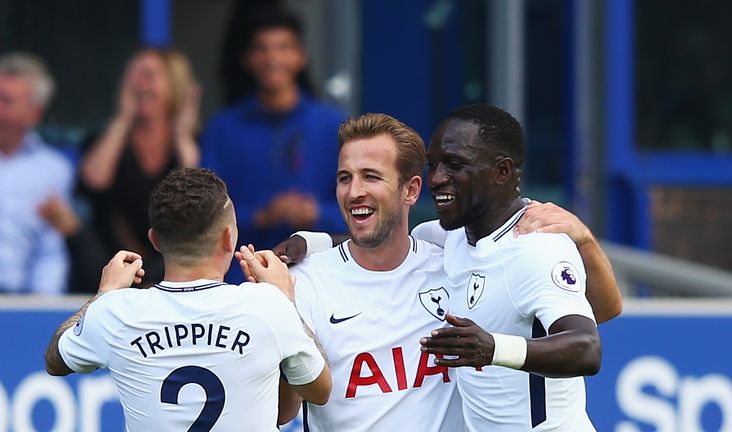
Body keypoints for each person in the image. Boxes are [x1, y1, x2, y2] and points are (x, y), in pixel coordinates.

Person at [44, 168, 331, 431]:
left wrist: (104, 294)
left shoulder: (116, 312)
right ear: (228, 238)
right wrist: (286, 299)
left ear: (154, 240)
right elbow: (319, 391)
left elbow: (55, 360)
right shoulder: (267, 306)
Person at [238, 114, 463, 431]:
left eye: (371, 177)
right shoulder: (301, 282)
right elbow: (281, 412)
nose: (354, 191)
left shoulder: (455, 265)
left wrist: (561, 225)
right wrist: (283, 312)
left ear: (411, 190)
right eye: (345, 178)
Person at [419, 104, 602, 430]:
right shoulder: (453, 237)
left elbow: (587, 349)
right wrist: (314, 244)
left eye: (454, 164)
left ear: (502, 172)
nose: (435, 179)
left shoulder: (537, 247)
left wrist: (494, 348)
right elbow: (387, 244)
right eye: (432, 164)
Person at [202, 8, 346, 284]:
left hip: (321, 278)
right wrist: (262, 214)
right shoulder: (223, 128)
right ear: (247, 59)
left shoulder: (332, 125)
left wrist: (315, 212)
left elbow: (360, 212)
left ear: (300, 56)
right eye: (262, 49)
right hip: (239, 278)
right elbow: (205, 213)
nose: (272, 58)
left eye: (283, 47)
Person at [79, 47, 201, 284]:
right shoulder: (106, 139)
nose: (139, 83)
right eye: (133, 75)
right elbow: (94, 182)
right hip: (110, 272)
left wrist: (182, 134)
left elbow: (196, 198)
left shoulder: (192, 143)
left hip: (171, 276)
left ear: (173, 84)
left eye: (149, 75)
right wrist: (123, 119)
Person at [0, 52, 74, 294]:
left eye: (6, 100)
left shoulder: (53, 170)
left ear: (35, 113)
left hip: (21, 302)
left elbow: (50, 250)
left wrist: (42, 308)